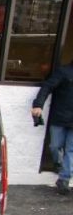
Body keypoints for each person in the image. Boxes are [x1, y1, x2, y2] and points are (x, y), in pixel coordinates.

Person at [32, 61, 73, 195]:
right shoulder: (64, 72)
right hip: (59, 118)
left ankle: (64, 179)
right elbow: (47, 87)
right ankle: (60, 165)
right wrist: (38, 104)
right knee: (55, 146)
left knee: (71, 150)